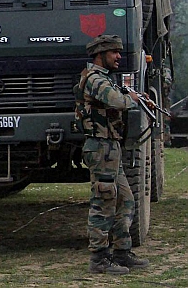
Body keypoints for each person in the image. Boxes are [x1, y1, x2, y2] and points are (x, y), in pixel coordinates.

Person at [77, 34, 150, 274]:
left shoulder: (104, 79)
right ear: (101, 54)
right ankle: (98, 258)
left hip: (110, 145)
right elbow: (116, 101)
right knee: (104, 200)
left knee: (125, 200)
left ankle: (122, 252)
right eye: (114, 52)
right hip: (100, 146)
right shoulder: (94, 79)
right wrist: (132, 98)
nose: (119, 56)